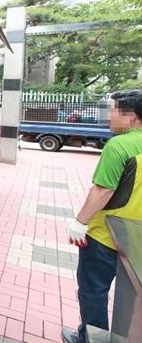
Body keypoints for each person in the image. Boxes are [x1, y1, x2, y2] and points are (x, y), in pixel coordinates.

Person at [62, 90, 142, 343]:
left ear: (130, 117)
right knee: (128, 296)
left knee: (93, 291)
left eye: (113, 111)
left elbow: (103, 189)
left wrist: (80, 222)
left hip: (106, 237)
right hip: (137, 240)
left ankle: (91, 338)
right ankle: (120, 336)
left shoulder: (120, 145)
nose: (108, 117)